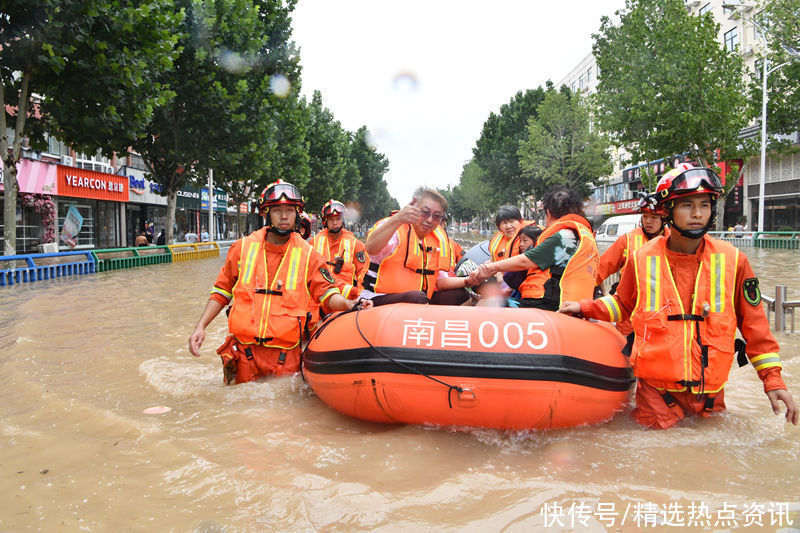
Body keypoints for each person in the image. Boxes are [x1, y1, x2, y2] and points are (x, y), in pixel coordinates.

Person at [558, 163, 798, 429]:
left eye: (704, 205)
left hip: (710, 395)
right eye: (686, 205)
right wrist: (583, 307)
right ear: (668, 210)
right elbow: (623, 305)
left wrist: (773, 380)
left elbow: (755, 327)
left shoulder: (734, 261)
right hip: (655, 395)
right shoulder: (642, 258)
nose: (697, 214)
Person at [188, 179, 371, 384]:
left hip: (285, 359)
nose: (284, 216)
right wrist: (201, 326)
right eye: (277, 210)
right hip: (244, 356)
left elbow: (327, 294)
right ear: (266, 213)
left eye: (289, 210)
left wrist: (348, 304)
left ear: (297, 214)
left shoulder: (309, 254)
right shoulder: (242, 248)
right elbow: (221, 291)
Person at [470, 187, 599, 311]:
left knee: (485, 303)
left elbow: (526, 261)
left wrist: (490, 268)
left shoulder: (564, 236)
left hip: (549, 304)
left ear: (548, 212)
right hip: (565, 300)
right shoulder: (582, 234)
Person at [362, 187, 465, 306]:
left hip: (419, 299)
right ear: (413, 209)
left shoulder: (438, 238)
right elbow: (371, 248)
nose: (430, 220)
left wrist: (469, 280)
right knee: (418, 298)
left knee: (460, 295)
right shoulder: (394, 227)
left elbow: (440, 281)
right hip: (377, 297)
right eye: (425, 213)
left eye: (436, 216)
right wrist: (398, 218)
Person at [594, 193, 669, 335]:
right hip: (630, 318)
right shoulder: (628, 240)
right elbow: (601, 268)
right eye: (645, 216)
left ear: (664, 219)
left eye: (653, 217)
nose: (648, 221)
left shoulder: (673, 241)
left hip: (662, 318)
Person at [309, 200, 369, 299]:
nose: (335, 223)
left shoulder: (355, 244)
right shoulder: (313, 242)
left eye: (338, 219)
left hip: (345, 302)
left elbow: (363, 271)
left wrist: (359, 294)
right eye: (331, 219)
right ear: (325, 221)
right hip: (318, 300)